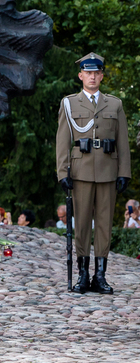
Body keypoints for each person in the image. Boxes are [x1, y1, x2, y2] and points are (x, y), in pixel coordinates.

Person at [56, 52, 132, 294]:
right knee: (81, 227)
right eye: (88, 73)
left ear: (101, 76)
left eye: (96, 73)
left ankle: (100, 275)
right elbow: (62, 140)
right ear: (81, 76)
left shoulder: (115, 104)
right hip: (80, 171)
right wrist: (62, 172)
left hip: (109, 171)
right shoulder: (69, 104)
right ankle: (83, 275)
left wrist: (124, 172)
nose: (92, 76)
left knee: (104, 225)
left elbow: (123, 142)